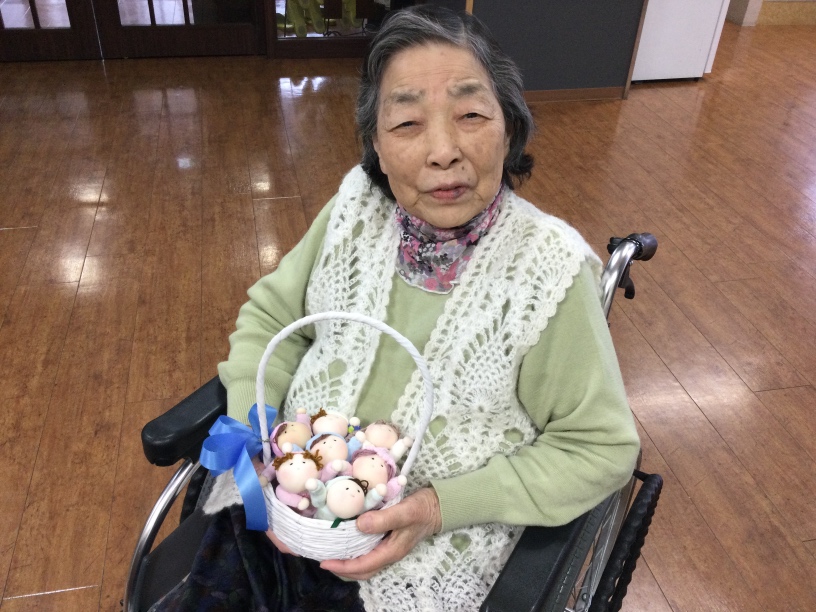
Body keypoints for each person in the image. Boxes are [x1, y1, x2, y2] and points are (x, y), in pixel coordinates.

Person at [152, 5, 639, 611]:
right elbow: (274, 320)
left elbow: (601, 448)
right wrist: (257, 427)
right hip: (276, 508)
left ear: (509, 129)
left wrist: (437, 507)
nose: (443, 151)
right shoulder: (356, 207)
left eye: (470, 115)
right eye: (407, 123)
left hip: (424, 555)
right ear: (377, 148)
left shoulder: (549, 269)